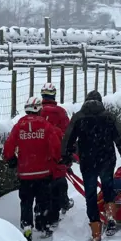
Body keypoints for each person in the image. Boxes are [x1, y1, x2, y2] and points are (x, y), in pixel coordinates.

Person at [60, 90, 121, 241]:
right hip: (107, 160)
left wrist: (66, 156)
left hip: (88, 161)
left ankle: (96, 231)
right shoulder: (108, 116)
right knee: (108, 189)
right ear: (100, 102)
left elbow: (68, 138)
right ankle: (111, 220)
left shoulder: (79, 117)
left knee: (91, 195)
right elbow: (119, 138)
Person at [3, 96, 61, 241]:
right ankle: (43, 224)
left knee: (26, 202)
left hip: (25, 173)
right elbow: (55, 146)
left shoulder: (19, 125)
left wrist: (11, 159)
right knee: (42, 200)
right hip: (43, 171)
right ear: (38, 109)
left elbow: (8, 146)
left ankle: (27, 226)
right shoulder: (46, 125)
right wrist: (56, 159)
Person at [39, 83, 73, 228]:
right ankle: (60, 206)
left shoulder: (36, 111)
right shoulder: (60, 112)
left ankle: (43, 214)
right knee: (59, 180)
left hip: (39, 154)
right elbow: (68, 133)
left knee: (43, 185)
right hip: (57, 152)